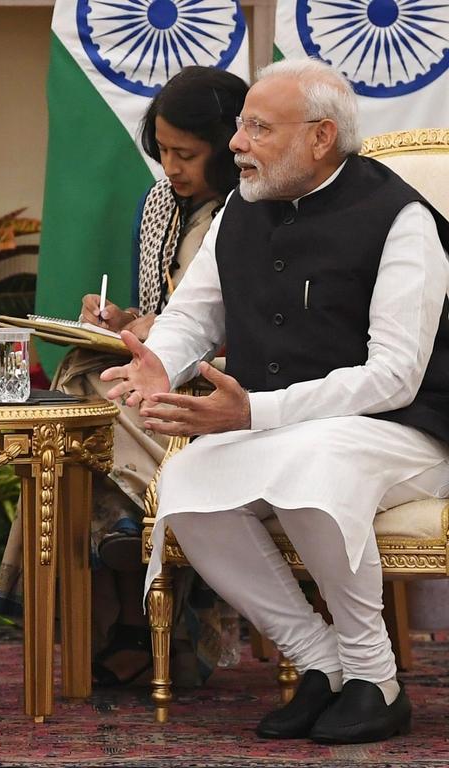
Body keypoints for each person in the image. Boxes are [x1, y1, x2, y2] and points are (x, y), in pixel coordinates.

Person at [104, 57, 449, 744]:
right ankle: (319, 662)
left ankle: (374, 680)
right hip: (290, 430)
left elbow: (394, 379)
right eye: (240, 128)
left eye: (258, 128)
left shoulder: (401, 219)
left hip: (406, 431)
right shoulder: (243, 206)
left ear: (321, 138)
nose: (237, 144)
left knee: (314, 463)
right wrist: (157, 364)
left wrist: (254, 413)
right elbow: (193, 316)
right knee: (189, 481)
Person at [0, 66, 248, 688]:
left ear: (228, 145)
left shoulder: (256, 208)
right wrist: (122, 320)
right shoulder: (164, 204)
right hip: (160, 374)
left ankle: (124, 550)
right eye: (161, 151)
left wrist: (156, 334)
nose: (171, 167)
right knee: (92, 380)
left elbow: (242, 321)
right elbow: (172, 309)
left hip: (235, 389)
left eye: (186, 154)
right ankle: (127, 556)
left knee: (82, 406)